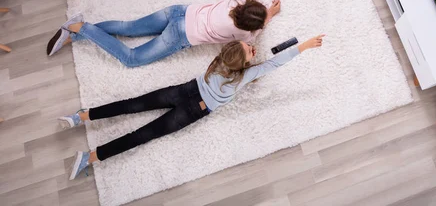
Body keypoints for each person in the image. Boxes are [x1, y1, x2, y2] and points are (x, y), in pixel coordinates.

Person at [59, 34, 325, 180]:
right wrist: (304, 46)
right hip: (194, 109)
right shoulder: (245, 75)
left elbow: (241, 45)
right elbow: (274, 64)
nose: (254, 48)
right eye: (250, 50)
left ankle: (81, 116)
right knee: (141, 136)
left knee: (132, 105)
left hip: (185, 90)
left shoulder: (221, 58)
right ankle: (89, 158)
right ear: (241, 64)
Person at [46, 0, 281, 67]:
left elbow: (253, 14)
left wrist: (265, 10)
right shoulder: (242, 34)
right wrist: (269, 16)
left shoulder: (235, 2)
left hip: (177, 12)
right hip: (179, 35)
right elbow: (254, 35)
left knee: (128, 28)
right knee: (132, 58)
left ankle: (75, 34)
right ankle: (80, 27)